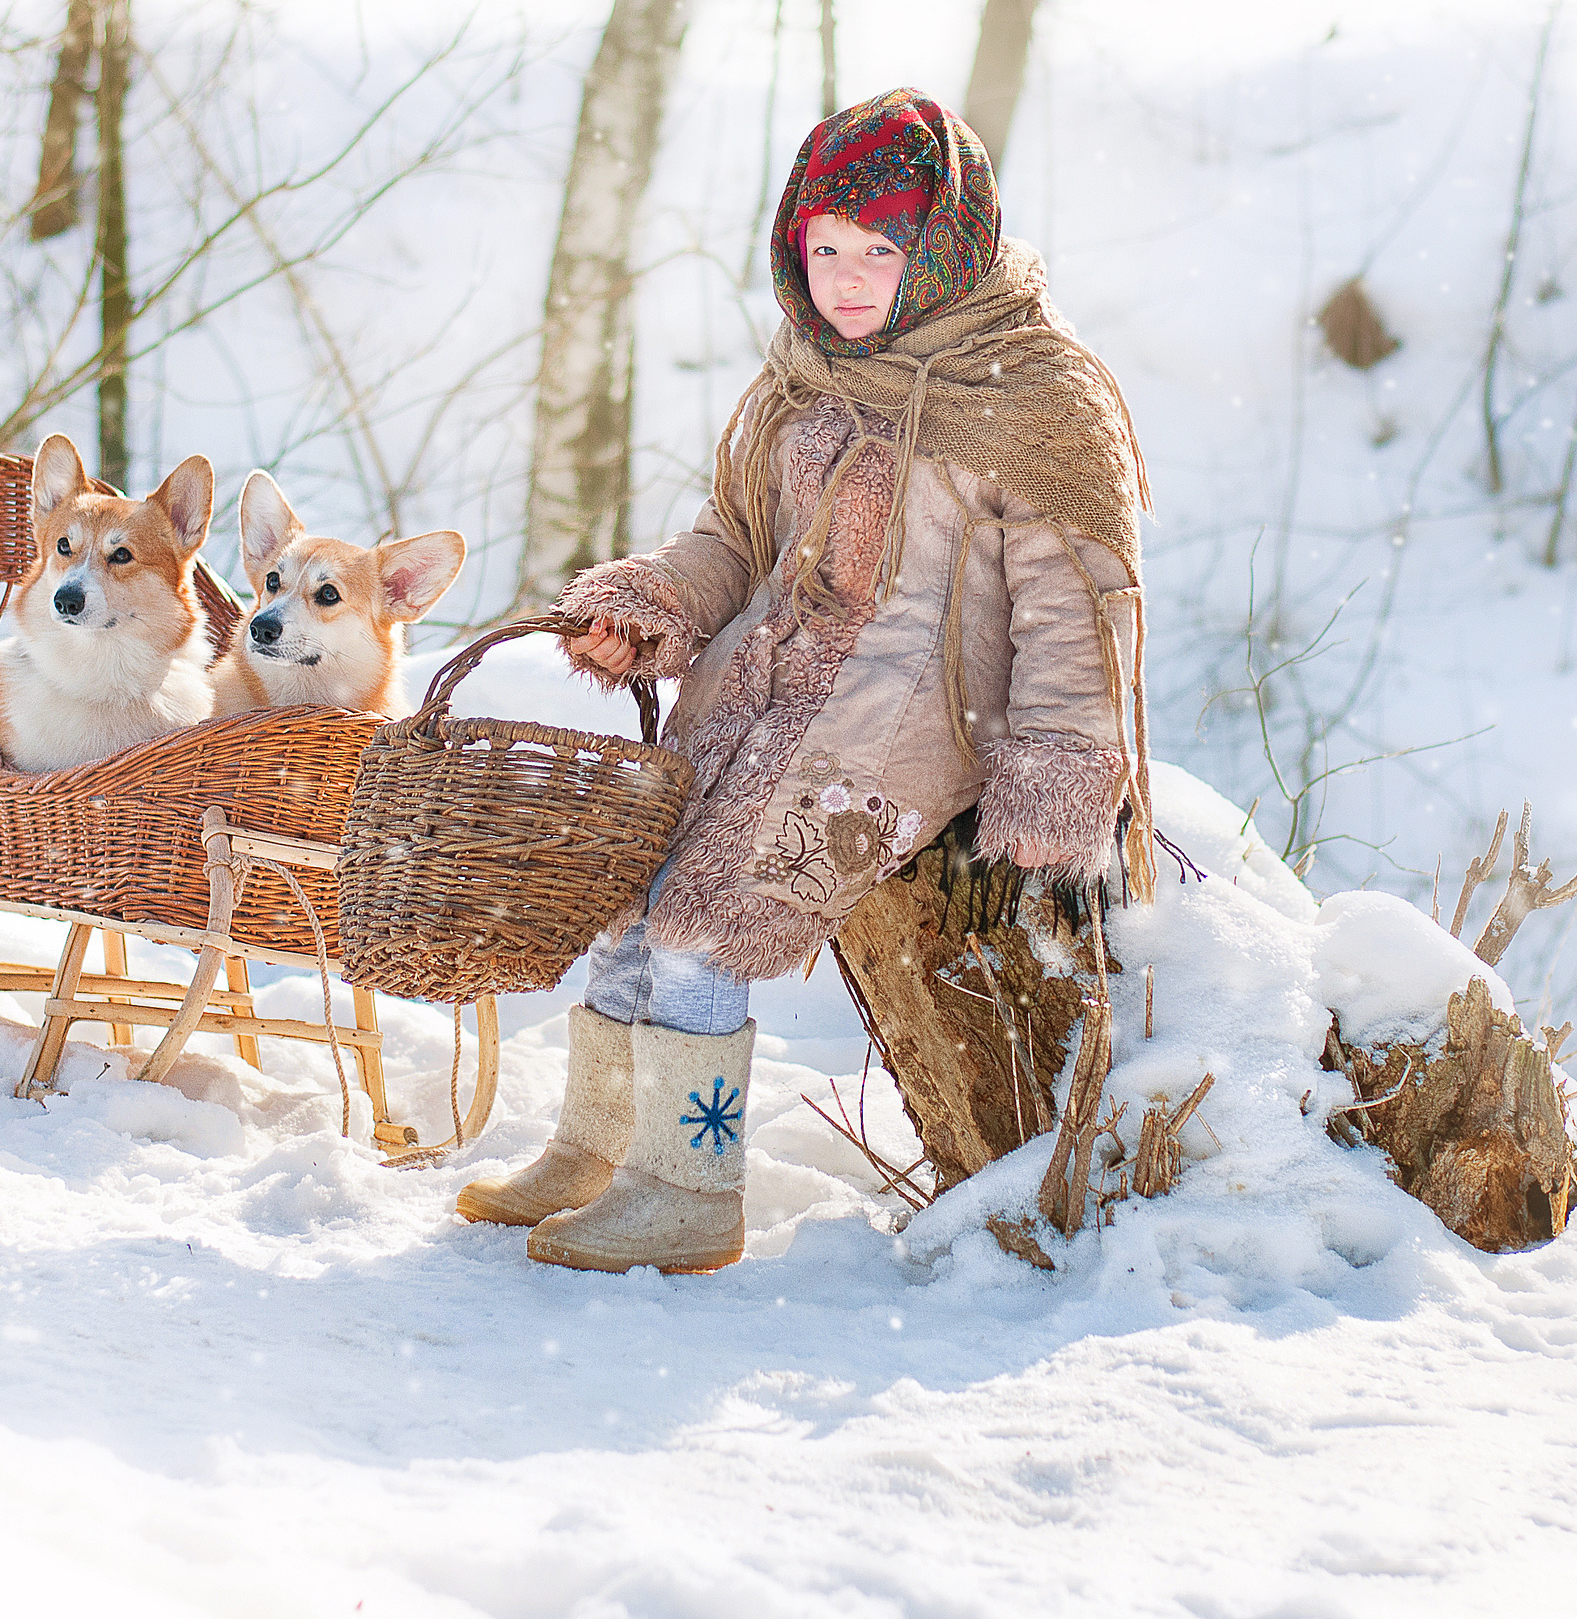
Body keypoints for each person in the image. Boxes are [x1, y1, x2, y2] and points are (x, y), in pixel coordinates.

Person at [457, 88, 1156, 1273]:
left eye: (878, 249)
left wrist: (1058, 756)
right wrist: (654, 603)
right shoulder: (809, 373)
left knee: (707, 913)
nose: (845, 278)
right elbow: (736, 538)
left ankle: (687, 1186)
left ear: (943, 244)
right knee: (632, 892)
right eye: (823, 249)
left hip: (909, 710)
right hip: (758, 683)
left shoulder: (1033, 394)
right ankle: (596, 1144)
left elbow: (1079, 600)